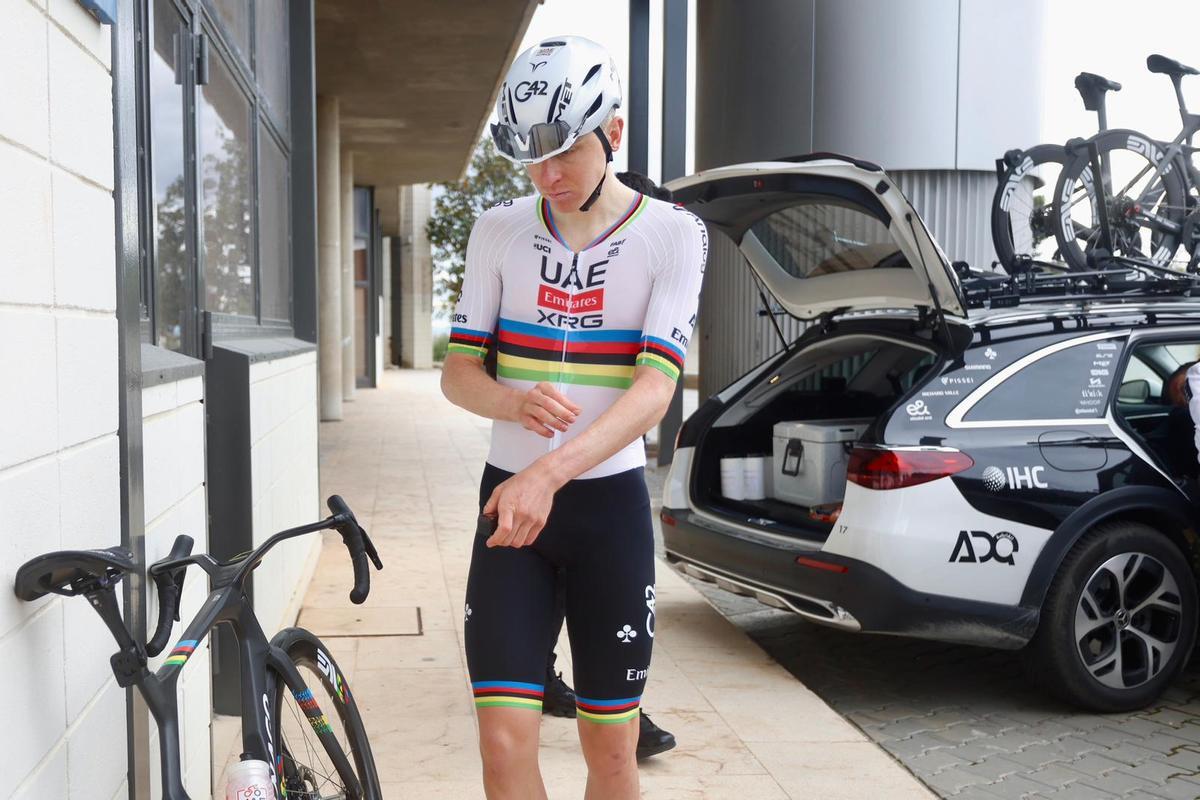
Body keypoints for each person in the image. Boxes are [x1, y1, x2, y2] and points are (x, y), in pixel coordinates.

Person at [440, 35, 707, 800]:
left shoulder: (672, 234)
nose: (547, 174)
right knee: (501, 738)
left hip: (605, 513)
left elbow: (655, 391)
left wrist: (549, 471)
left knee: (613, 752)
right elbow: (459, 374)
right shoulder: (497, 229)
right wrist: (512, 401)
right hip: (511, 508)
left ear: (614, 134)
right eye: (530, 155)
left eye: (565, 151)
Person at [540, 168, 678, 762]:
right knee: (552, 575)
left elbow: (654, 382)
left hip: (608, 465)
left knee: (596, 587)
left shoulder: (661, 268)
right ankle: (541, 674)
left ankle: (618, 706)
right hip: (542, 453)